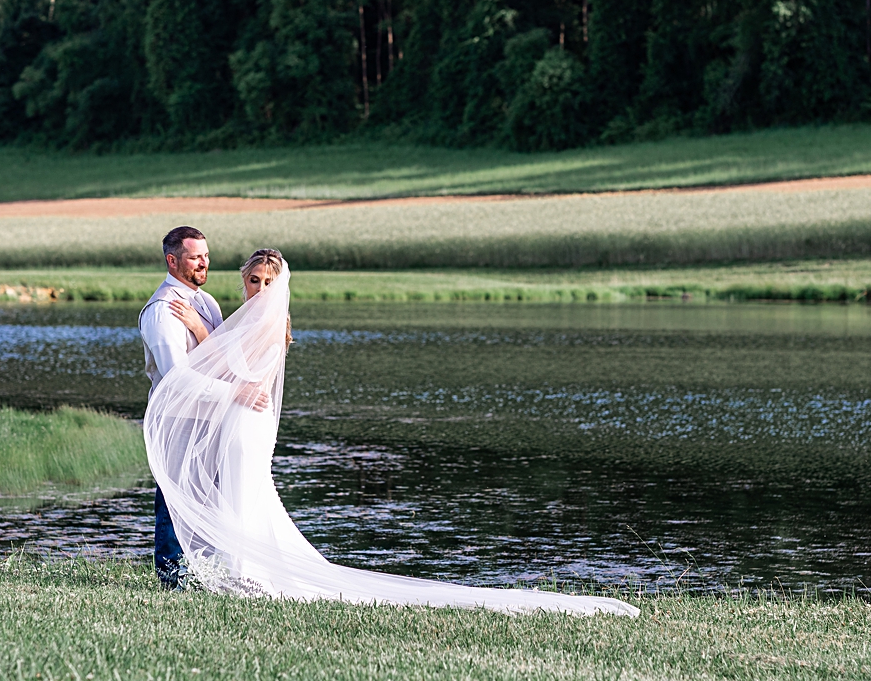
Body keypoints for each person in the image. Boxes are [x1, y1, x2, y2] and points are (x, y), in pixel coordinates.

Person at [144, 248, 639, 617]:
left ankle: (247, 572)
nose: (259, 289)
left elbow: (233, 369)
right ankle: (238, 569)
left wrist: (202, 330)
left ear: (280, 284)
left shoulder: (272, 321)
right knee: (240, 491)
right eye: (252, 280)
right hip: (239, 416)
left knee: (246, 490)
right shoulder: (252, 315)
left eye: (267, 281)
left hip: (245, 420)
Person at [138, 226, 227, 589]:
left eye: (205, 255)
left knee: (207, 498)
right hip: (176, 418)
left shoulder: (206, 303)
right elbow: (177, 377)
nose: (204, 263)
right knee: (175, 499)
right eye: (194, 257)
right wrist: (231, 395)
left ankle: (206, 572)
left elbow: (224, 358)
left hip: (208, 418)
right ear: (172, 261)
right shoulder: (162, 311)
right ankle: (173, 578)